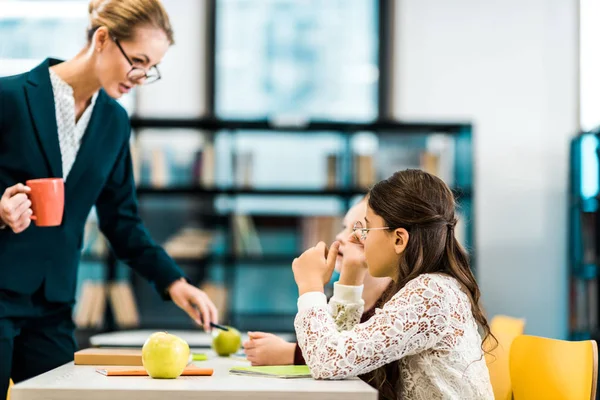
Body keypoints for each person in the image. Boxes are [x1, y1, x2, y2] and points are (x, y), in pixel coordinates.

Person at [0, 1, 218, 397]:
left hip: (53, 303)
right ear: (102, 39)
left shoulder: (114, 122)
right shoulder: (10, 97)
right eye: (136, 60)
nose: (140, 76)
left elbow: (122, 221)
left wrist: (174, 282)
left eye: (150, 68)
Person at [291, 169, 494, 400]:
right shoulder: (424, 287)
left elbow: (326, 362)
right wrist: (352, 273)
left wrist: (310, 287)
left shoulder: (430, 293)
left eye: (365, 229)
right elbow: (342, 348)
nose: (355, 239)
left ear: (399, 239)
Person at [243, 197, 391, 366]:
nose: (341, 237)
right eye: (344, 227)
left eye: (359, 230)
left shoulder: (395, 308)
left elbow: (343, 361)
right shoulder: (335, 297)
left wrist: (291, 354)